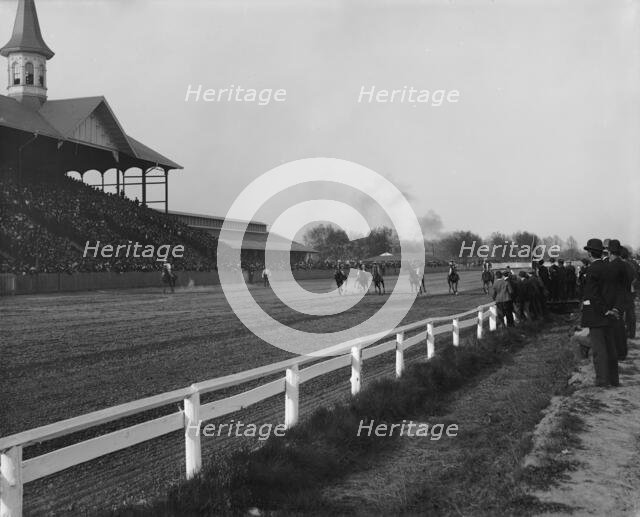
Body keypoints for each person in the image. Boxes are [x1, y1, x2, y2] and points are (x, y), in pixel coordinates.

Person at [580, 238, 621, 387]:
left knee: (599, 350)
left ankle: (602, 381)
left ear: (590, 253)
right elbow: (616, 291)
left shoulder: (592, 270)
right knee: (611, 348)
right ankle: (614, 380)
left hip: (597, 315)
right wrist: (614, 309)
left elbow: (592, 295)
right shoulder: (609, 267)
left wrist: (604, 311)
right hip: (610, 314)